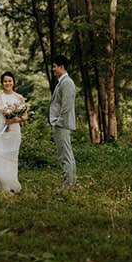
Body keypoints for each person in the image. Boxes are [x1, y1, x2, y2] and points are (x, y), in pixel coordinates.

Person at [49, 55, 76, 186]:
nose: (53, 69)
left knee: (65, 155)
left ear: (62, 67)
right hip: (61, 124)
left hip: (62, 124)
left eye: (54, 66)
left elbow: (67, 105)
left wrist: (58, 122)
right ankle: (70, 183)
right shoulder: (62, 82)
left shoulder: (67, 82)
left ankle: (68, 185)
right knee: (66, 154)